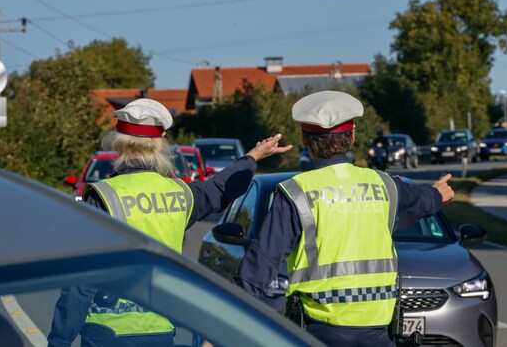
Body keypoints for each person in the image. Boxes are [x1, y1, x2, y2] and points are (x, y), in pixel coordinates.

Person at [47, 98, 291, 347]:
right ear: (160, 143)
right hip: (160, 330)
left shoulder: (104, 195)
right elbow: (220, 188)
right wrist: (252, 157)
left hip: (108, 331)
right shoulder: (180, 193)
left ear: (118, 142)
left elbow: (81, 284)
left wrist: (59, 340)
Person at [233, 91, 454, 347]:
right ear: (352, 137)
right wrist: (439, 193)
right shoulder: (383, 184)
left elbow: (260, 265)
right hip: (379, 333)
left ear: (305, 139)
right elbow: (424, 199)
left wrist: (223, 323)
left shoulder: (295, 192)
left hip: (319, 333)